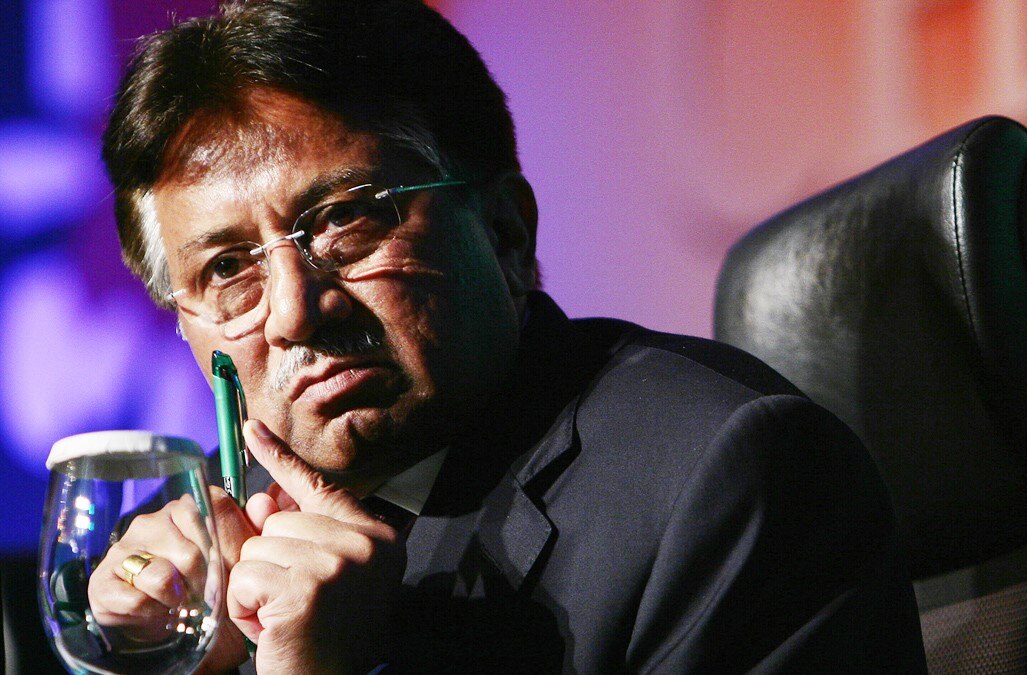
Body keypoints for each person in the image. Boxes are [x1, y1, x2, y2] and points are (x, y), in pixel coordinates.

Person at [89, 0, 926, 672]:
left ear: (505, 232)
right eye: (226, 268)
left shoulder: (726, 481)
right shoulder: (199, 541)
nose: (295, 312)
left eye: (346, 220)